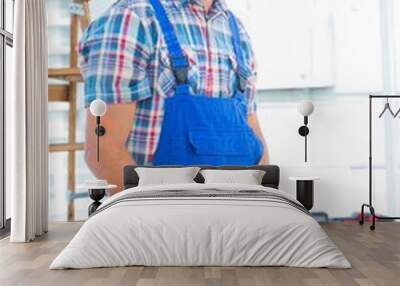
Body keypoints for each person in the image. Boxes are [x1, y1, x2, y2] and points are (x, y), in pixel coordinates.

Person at [79, 0, 269, 193]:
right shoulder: (131, 19)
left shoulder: (235, 29)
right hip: (162, 216)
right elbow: (103, 150)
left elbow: (257, 147)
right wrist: (160, 217)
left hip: (236, 215)